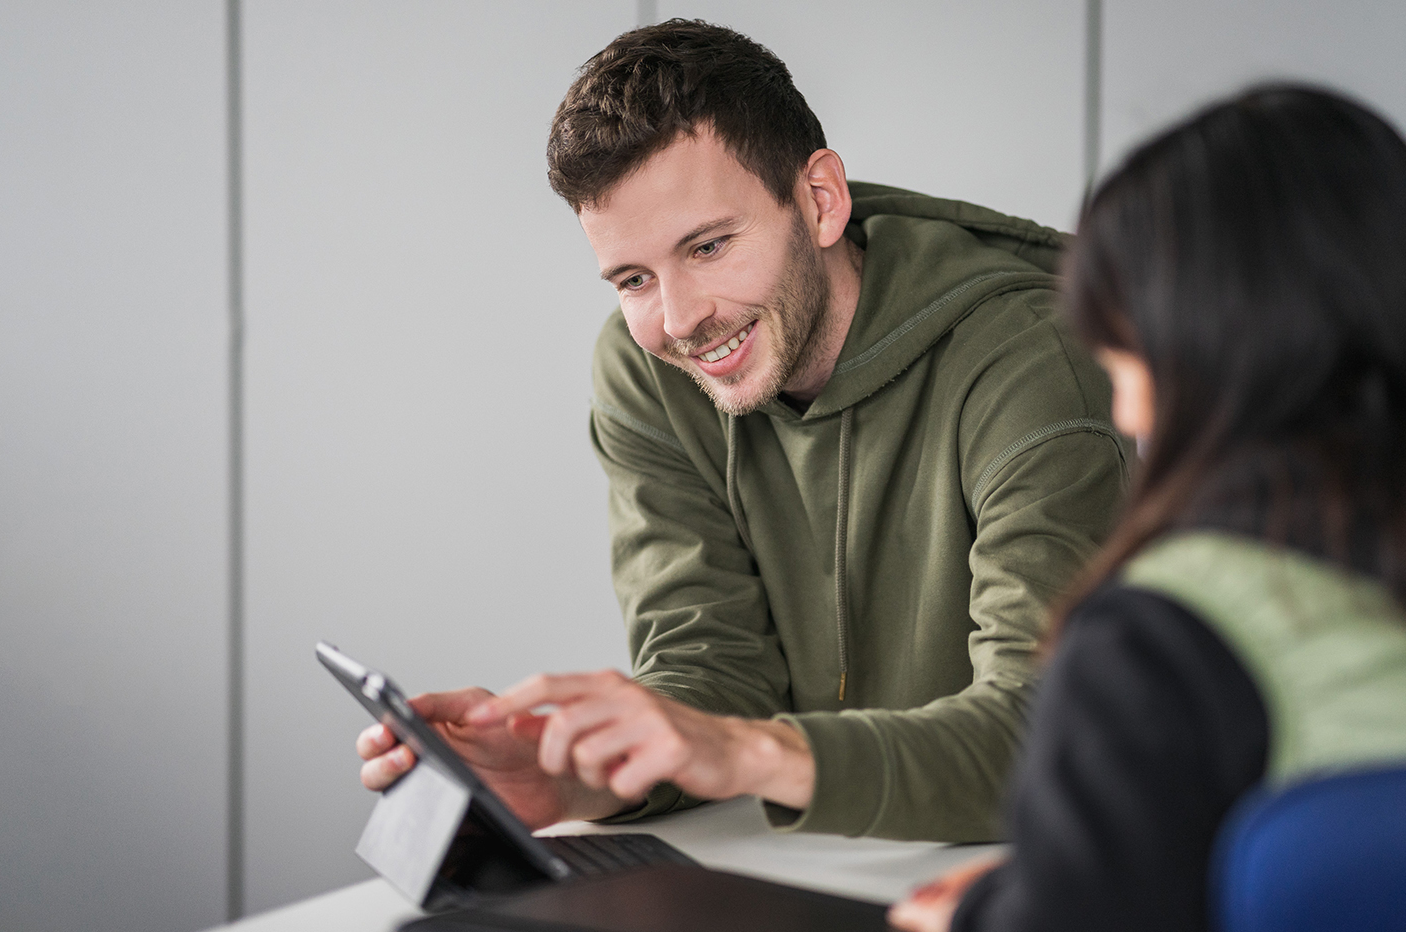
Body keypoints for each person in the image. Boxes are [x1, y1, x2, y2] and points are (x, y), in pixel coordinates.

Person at [889, 84, 1406, 932]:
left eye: (1127, 362)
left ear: (1211, 355)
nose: (1125, 412)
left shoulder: (1162, 640)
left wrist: (992, 922)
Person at [355, 20, 1128, 843]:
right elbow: (713, 666)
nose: (680, 319)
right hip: (803, 866)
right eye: (632, 278)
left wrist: (750, 755)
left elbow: (1044, 730)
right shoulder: (644, 367)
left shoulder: (1033, 359)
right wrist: (570, 776)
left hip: (1034, 873)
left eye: (710, 245)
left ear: (820, 201)